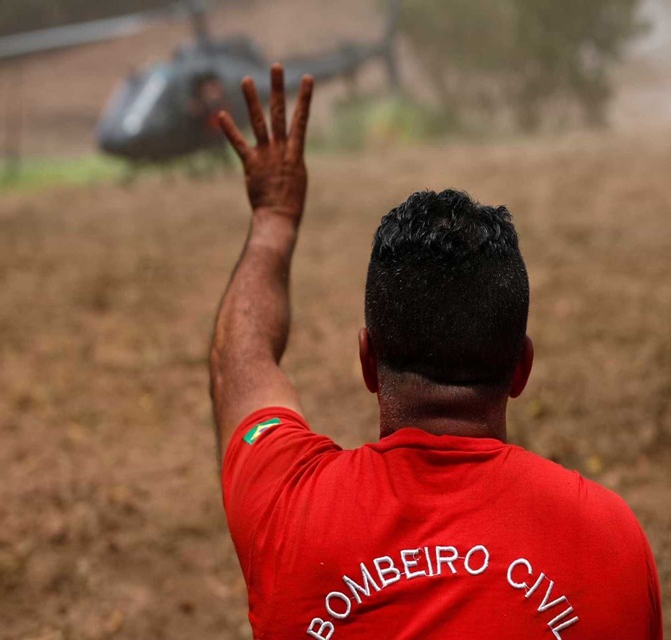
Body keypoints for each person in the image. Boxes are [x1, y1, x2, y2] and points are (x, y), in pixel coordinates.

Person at [210, 64, 663, 639]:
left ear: (367, 362)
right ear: (521, 367)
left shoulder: (287, 509)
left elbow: (241, 366)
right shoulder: (610, 540)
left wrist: (274, 220)